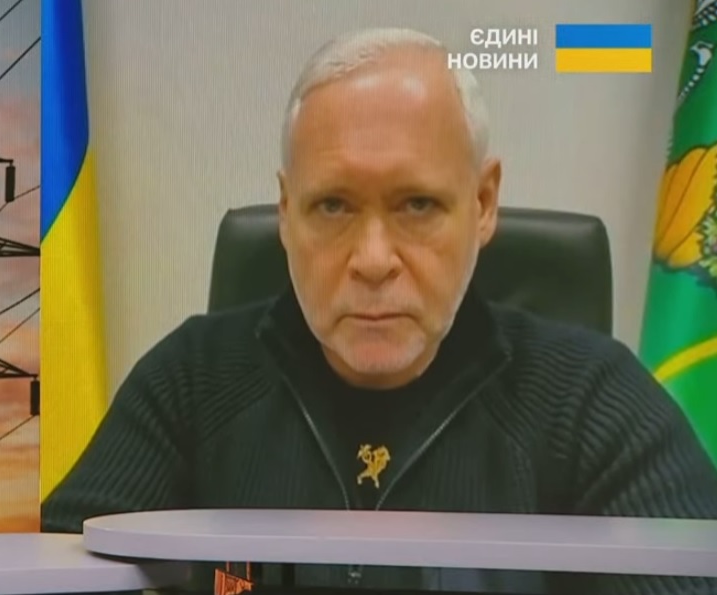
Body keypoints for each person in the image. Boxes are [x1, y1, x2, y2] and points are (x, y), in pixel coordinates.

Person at [40, 28, 717, 594]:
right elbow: (50, 571)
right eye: (332, 205)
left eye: (416, 205)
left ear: (483, 204)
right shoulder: (190, 382)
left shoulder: (593, 400)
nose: (371, 259)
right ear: (286, 212)